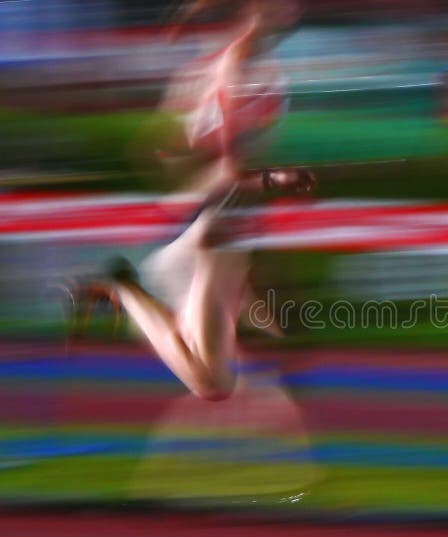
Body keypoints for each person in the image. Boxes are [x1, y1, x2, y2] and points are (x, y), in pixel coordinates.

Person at [71, 0, 314, 402]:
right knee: (213, 382)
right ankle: (124, 288)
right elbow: (230, 169)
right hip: (213, 229)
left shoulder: (256, 68)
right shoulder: (236, 67)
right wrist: (277, 177)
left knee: (230, 362)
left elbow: (165, 150)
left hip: (224, 226)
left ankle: (126, 287)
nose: (294, 9)